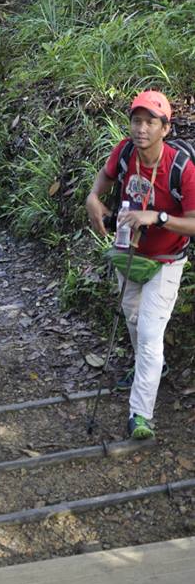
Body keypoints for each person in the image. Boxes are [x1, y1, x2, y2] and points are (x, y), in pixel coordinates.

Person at [85, 89, 195, 440]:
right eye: (136, 120)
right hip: (128, 255)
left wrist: (158, 217)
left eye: (150, 122)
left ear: (166, 128)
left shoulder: (182, 168)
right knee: (134, 321)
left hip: (166, 261)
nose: (141, 128)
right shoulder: (124, 152)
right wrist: (93, 199)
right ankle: (153, 369)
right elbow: (103, 180)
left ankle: (140, 415)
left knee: (148, 335)